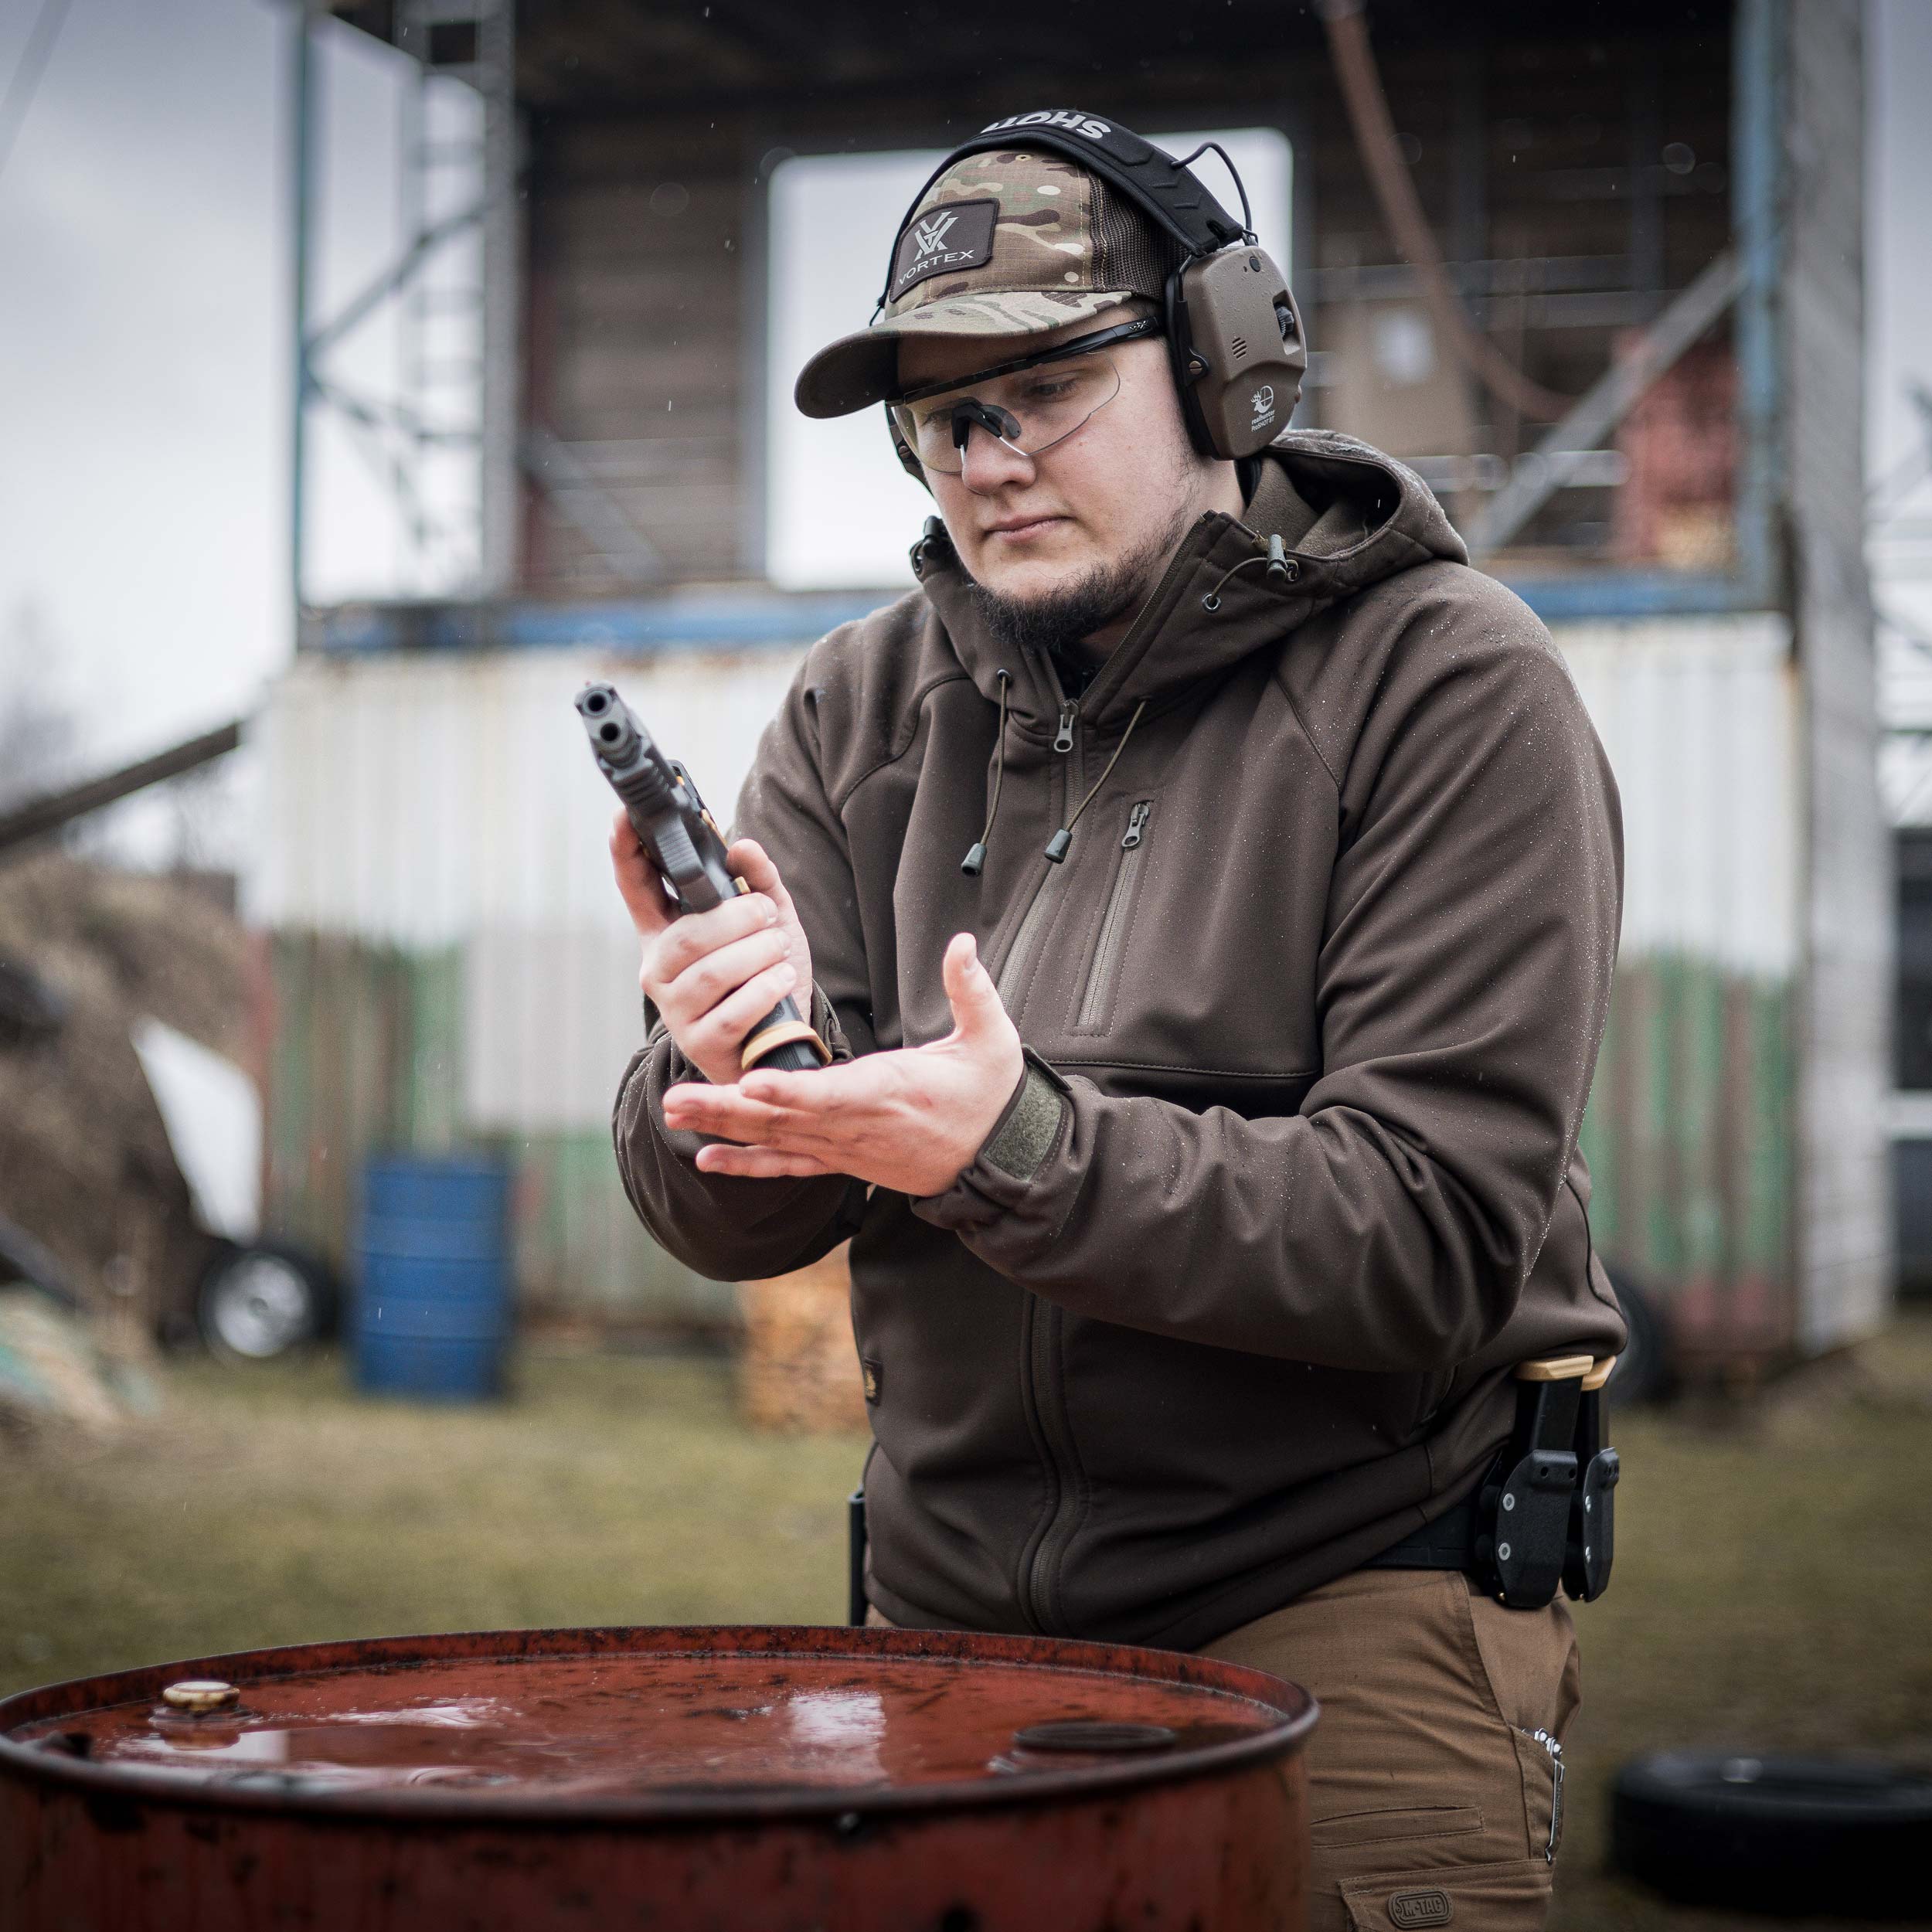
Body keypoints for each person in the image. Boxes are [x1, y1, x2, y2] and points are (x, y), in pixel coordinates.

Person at [607, 127, 1624, 1929]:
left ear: (1226, 361)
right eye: (939, 414)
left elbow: (1434, 1235)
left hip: (1339, 1597)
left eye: (1047, 385)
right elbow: (734, 1218)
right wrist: (711, 1071)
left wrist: (1016, 1148)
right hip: (938, 1621)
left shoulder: (1450, 686)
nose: (986, 458)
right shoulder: (857, 709)